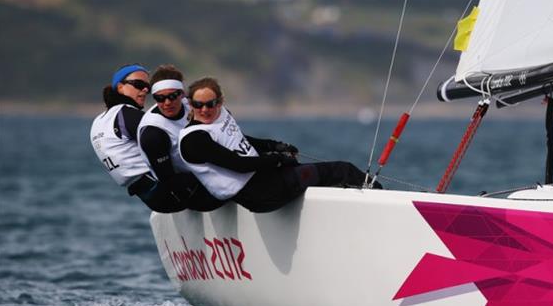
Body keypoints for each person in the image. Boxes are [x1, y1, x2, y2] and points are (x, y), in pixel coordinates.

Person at [178, 77, 376, 213]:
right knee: (343, 170)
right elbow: (238, 164)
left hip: (267, 179)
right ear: (190, 104)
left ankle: (367, 203)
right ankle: (381, 201)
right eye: (197, 105)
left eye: (210, 104)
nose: (204, 109)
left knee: (327, 177)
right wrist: (278, 160)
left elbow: (241, 140)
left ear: (220, 102)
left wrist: (276, 146)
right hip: (259, 194)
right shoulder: (194, 139)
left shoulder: (220, 116)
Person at [89, 64, 199, 213]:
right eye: (139, 85)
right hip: (168, 193)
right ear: (120, 87)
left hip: (151, 198)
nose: (145, 89)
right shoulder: (126, 115)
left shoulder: (99, 121)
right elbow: (168, 137)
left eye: (148, 86)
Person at [137, 65, 225, 212]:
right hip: (178, 188)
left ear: (182, 94)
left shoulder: (193, 104)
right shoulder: (153, 134)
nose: (167, 103)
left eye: (172, 96)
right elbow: (169, 180)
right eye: (160, 98)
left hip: (206, 167)